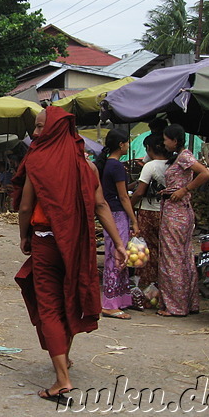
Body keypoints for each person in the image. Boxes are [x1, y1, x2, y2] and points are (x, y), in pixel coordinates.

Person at [13, 106, 128, 406]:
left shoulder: (37, 161)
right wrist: (119, 244)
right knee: (71, 299)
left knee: (50, 306)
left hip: (46, 242)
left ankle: (62, 378)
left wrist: (24, 236)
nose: (36, 133)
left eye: (40, 127)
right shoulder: (86, 166)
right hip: (77, 244)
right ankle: (65, 356)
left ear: (53, 130)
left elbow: (26, 208)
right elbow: (101, 206)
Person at [156, 124, 209, 317]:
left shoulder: (184, 156)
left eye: (166, 139)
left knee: (173, 257)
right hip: (177, 210)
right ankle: (187, 302)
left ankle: (176, 306)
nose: (164, 143)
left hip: (176, 212)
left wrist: (185, 189)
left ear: (175, 140)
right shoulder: (180, 157)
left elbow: (205, 173)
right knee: (183, 256)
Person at [94, 129, 139, 320]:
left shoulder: (106, 165)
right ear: (121, 145)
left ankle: (120, 298)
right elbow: (123, 196)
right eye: (127, 143)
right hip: (118, 213)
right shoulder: (117, 167)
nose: (128, 146)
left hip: (109, 212)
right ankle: (110, 303)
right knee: (117, 257)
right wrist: (135, 220)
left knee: (117, 255)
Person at [130, 135, 169, 289]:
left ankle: (146, 288)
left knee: (146, 252)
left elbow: (139, 192)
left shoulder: (150, 166)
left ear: (149, 149)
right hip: (166, 212)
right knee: (163, 250)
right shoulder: (172, 164)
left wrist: (129, 205)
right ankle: (163, 287)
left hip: (148, 212)